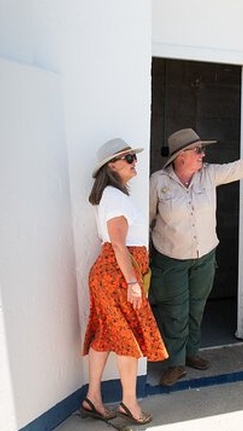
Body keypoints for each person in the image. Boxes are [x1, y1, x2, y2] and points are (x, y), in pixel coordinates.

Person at [149, 128, 243, 387]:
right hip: (170, 259)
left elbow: (238, 168)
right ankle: (175, 363)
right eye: (198, 150)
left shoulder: (208, 174)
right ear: (181, 156)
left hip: (205, 256)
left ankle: (191, 353)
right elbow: (148, 217)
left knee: (197, 306)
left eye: (202, 150)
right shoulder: (159, 182)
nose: (203, 154)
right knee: (174, 312)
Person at [81, 138, 168, 425]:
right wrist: (132, 282)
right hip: (118, 275)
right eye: (128, 158)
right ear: (112, 165)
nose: (134, 162)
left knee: (105, 335)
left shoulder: (111, 196)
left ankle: (93, 397)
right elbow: (119, 244)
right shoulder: (115, 197)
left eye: (133, 157)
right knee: (127, 338)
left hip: (111, 274)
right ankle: (129, 403)